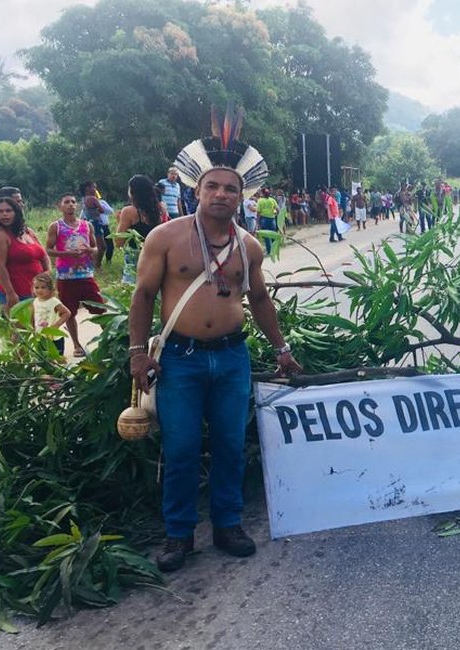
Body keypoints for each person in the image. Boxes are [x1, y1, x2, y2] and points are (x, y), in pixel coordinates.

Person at [130, 113, 301, 572]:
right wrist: (136, 352)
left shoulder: (249, 247)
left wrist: (282, 350)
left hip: (231, 358)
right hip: (180, 361)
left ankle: (227, 524)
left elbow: (261, 299)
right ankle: (178, 534)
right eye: (213, 187)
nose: (222, 194)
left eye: (231, 188)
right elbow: (143, 294)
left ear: (242, 195)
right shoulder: (164, 238)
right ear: (197, 190)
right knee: (182, 447)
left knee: (228, 443)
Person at [45, 192, 104, 357]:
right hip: (66, 277)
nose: (70, 204)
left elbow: (96, 247)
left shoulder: (87, 225)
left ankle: (109, 339)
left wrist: (90, 250)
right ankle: (77, 345)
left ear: (77, 205)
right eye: (66, 202)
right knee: (69, 312)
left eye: (73, 202)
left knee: (100, 308)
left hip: (86, 275)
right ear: (60, 206)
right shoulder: (56, 226)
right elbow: (48, 249)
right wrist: (66, 254)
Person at [0, 196, 49, 311]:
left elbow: (44, 255)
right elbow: (0, 266)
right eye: (0, 212)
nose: (4, 214)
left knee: (41, 326)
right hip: (16, 291)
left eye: (8, 211)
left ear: (16, 212)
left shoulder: (28, 231)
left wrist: (47, 272)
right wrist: (10, 293)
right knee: (19, 328)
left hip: (37, 290)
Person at [116, 174, 166, 284]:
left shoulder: (129, 211)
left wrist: (119, 221)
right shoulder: (161, 209)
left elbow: (119, 242)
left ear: (133, 191)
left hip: (135, 262)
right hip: (156, 258)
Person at [31, 271, 70, 356]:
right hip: (41, 336)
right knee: (46, 359)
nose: (39, 290)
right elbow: (34, 316)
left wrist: (56, 325)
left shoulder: (53, 301)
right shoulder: (35, 301)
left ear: (50, 289)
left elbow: (66, 313)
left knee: (58, 357)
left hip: (54, 337)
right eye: (36, 287)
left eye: (43, 287)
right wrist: (33, 329)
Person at [79, 181, 115, 269]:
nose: (95, 189)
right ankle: (96, 265)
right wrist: (97, 209)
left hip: (89, 223)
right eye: (93, 187)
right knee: (101, 247)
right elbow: (102, 210)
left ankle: (93, 264)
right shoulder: (93, 199)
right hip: (95, 224)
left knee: (94, 245)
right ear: (87, 188)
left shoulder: (83, 199)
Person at [256, 188, 280, 254]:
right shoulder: (272, 200)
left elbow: (258, 212)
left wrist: (257, 222)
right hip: (272, 219)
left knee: (267, 236)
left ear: (263, 193)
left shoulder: (260, 201)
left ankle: (269, 251)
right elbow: (278, 209)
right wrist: (277, 216)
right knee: (273, 235)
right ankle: (275, 250)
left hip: (264, 219)